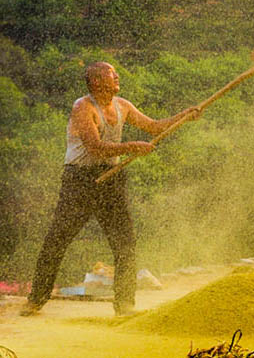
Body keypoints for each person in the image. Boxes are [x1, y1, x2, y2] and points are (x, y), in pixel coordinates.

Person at [21, 62, 200, 317]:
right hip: (80, 181)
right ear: (96, 82)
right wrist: (130, 147)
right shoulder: (82, 107)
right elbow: (94, 147)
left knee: (125, 243)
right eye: (111, 74)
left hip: (112, 180)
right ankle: (36, 300)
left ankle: (125, 304)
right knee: (57, 240)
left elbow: (155, 127)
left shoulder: (122, 105)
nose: (117, 77)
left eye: (115, 74)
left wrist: (184, 116)